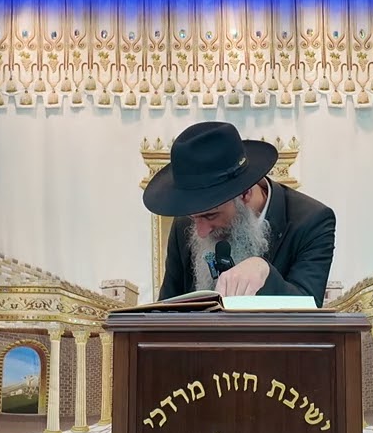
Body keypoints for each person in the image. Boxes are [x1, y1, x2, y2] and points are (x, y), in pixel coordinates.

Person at [143, 120, 336, 306]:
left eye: (211, 216)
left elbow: (308, 310)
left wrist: (265, 273)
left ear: (245, 193)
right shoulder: (184, 224)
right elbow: (165, 310)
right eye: (193, 217)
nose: (200, 231)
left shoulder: (312, 222)